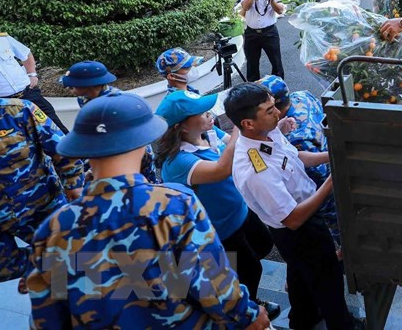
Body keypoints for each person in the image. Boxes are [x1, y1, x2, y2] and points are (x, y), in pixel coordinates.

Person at [26, 92, 269, 329]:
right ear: (143, 144)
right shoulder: (175, 205)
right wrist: (248, 316)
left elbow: (48, 317)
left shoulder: (53, 229)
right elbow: (213, 284)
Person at [225, 83, 362, 330]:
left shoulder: (267, 133)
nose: (278, 112)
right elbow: (293, 219)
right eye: (269, 110)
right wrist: (333, 180)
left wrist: (330, 157)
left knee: (300, 276)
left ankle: (303, 318)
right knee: (327, 280)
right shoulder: (257, 171)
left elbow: (294, 156)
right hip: (299, 231)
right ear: (248, 123)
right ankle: (343, 325)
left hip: (303, 219)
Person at [154, 90, 283, 320]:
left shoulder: (209, 131)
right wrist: (239, 121)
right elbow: (221, 169)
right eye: (202, 113)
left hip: (241, 212)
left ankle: (241, 300)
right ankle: (246, 312)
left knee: (263, 245)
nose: (209, 114)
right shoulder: (177, 163)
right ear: (182, 127)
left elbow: (237, 146)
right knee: (250, 270)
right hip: (220, 231)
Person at [0, 98, 84, 290]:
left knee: (73, 263)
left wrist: (73, 186)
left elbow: (63, 149)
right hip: (1, 221)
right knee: (3, 268)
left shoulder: (17, 111)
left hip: (42, 206)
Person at [257, 75, 339, 249]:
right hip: (330, 152)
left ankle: (343, 249)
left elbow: (312, 173)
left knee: (334, 220)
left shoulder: (295, 137)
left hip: (324, 184)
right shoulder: (302, 95)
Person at [60, 60, 159, 184]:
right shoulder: (84, 99)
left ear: (89, 85)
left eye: (73, 86)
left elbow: (132, 140)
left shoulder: (118, 105)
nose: (70, 90)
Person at [0, 32, 68, 132]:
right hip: (3, 103)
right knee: (15, 135)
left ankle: (69, 147)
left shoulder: (2, 38)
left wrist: (32, 74)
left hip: (28, 92)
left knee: (55, 126)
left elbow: (26, 53)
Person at [240, 0, 285, 82]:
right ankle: (254, 93)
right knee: (252, 65)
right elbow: (245, 7)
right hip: (251, 33)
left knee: (276, 64)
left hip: (269, 32)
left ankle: (278, 91)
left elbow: (280, 11)